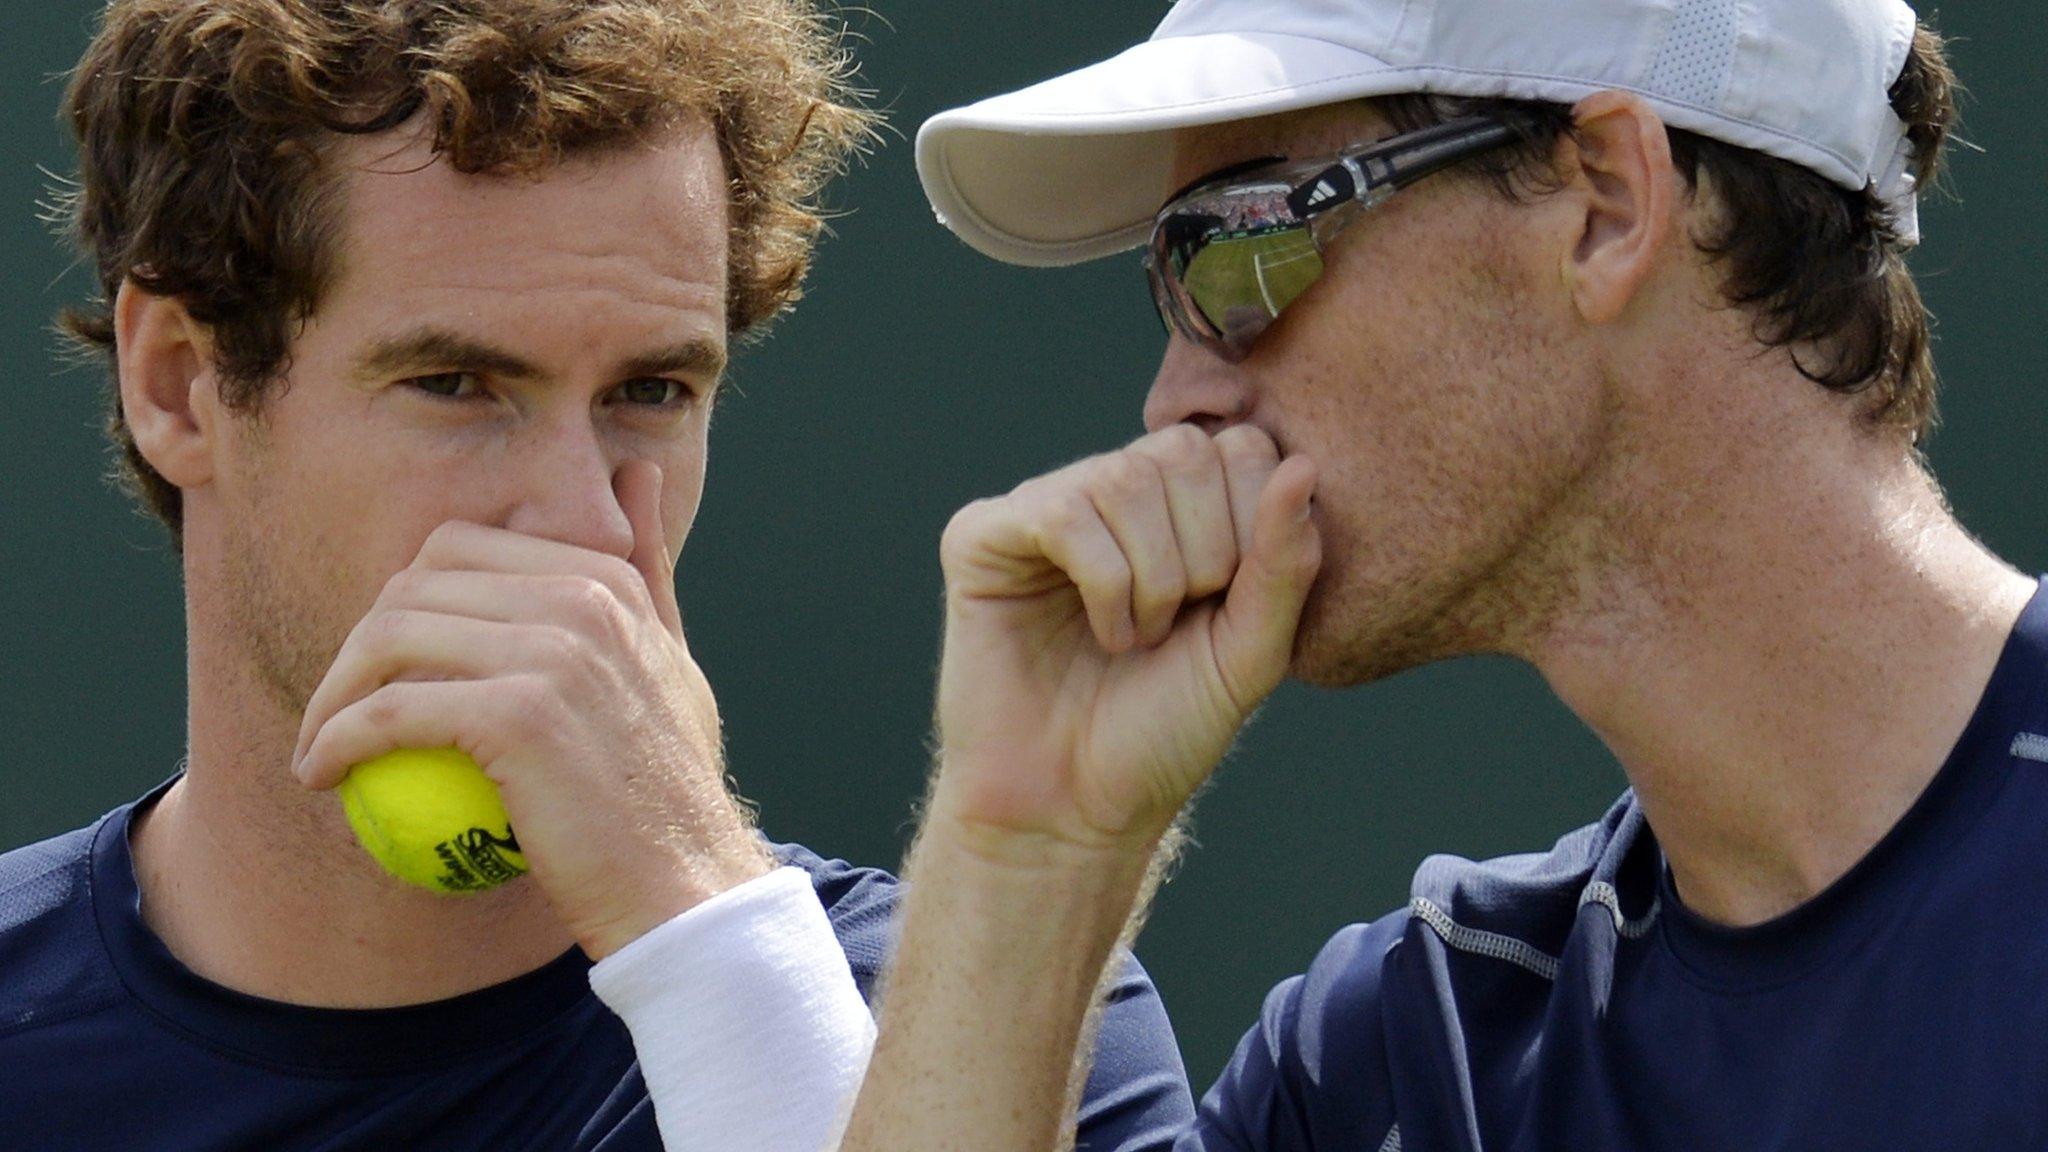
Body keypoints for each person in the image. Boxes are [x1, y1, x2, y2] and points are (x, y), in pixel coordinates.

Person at [828, 0, 2048, 1148]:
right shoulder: (1409, 1061)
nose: (1173, 400)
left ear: (1609, 206)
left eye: (1237, 244)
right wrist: (1032, 851)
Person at [0, 2, 1193, 1149]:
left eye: (649, 393)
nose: (587, 524)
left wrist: (695, 912)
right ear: (175, 386)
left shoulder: (1003, 1061)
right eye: (456, 385)